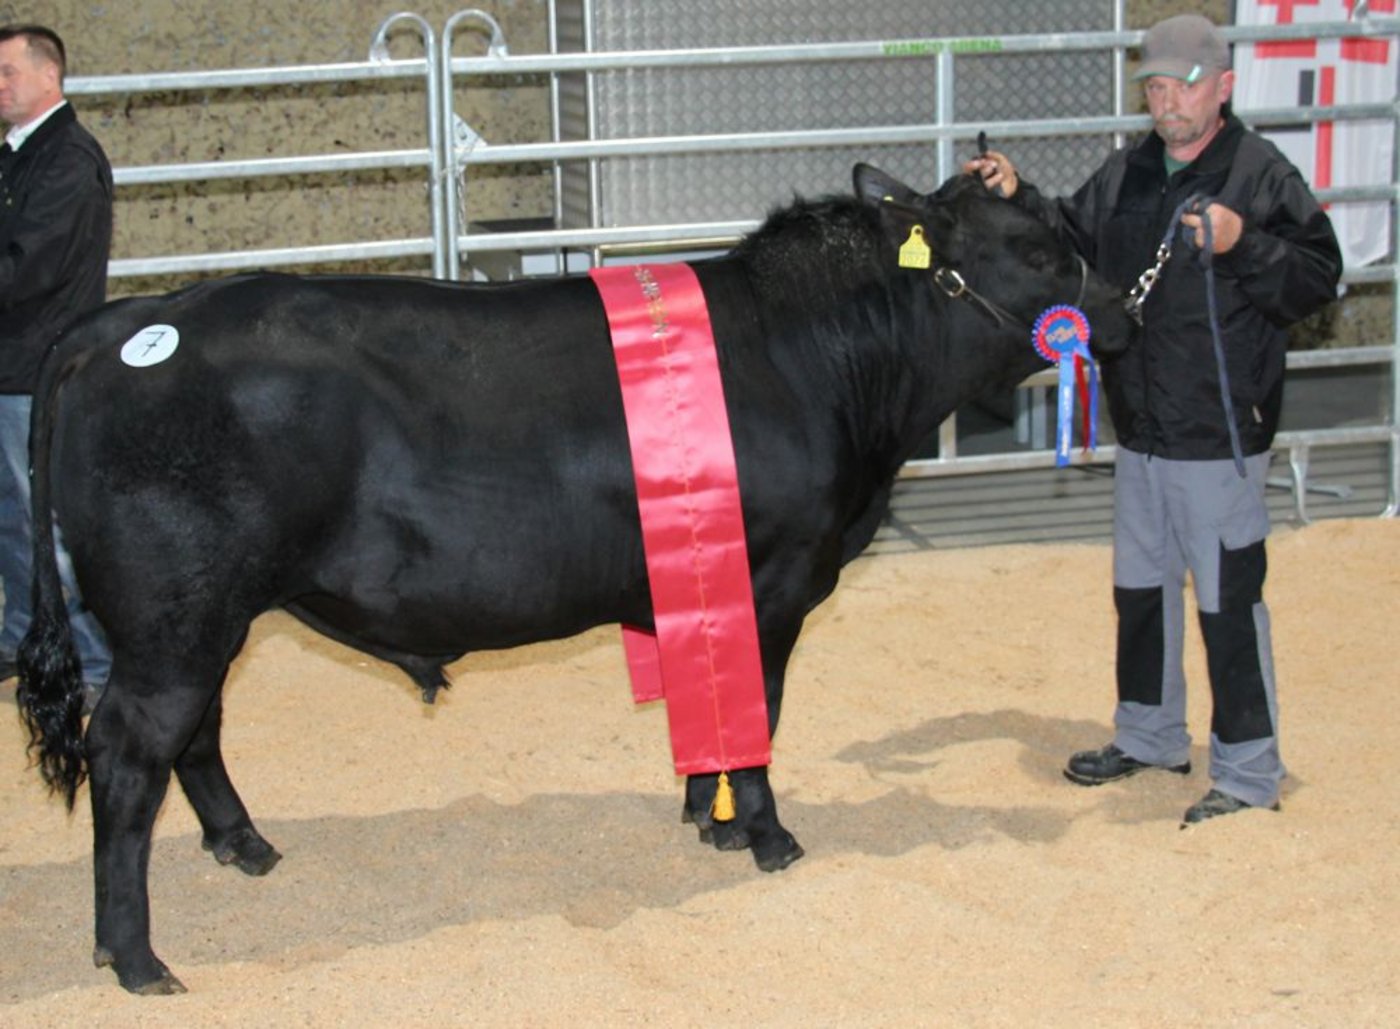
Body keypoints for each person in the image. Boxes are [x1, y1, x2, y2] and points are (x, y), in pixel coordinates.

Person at [965, 14, 1342, 826]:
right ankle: (1150, 733)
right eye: (1155, 85)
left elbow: (1319, 277)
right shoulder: (1132, 169)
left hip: (1219, 431)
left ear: (1224, 87)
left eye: (1184, 83)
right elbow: (1071, 236)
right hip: (1138, 426)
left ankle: (1247, 771)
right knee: (1140, 591)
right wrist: (1018, 194)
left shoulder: (1261, 175)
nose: (1167, 99)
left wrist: (1245, 244)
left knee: (1228, 602)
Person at [0, 24, 112, 696]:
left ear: (50, 76)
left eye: (8, 72)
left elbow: (28, 269)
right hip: (10, 364)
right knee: (14, 513)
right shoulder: (17, 157)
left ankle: (95, 663)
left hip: (40, 366)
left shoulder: (68, 159)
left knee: (48, 518)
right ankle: (22, 635)